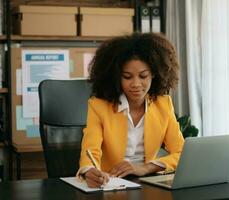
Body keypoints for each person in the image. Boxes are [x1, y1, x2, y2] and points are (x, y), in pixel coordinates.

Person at [77, 32, 184, 188]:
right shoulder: (98, 106)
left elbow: (181, 153)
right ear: (116, 77)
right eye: (127, 76)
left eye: (143, 76)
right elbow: (90, 151)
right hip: (110, 183)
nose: (136, 84)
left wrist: (145, 168)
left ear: (154, 74)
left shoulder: (163, 104)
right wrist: (89, 170)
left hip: (149, 182)